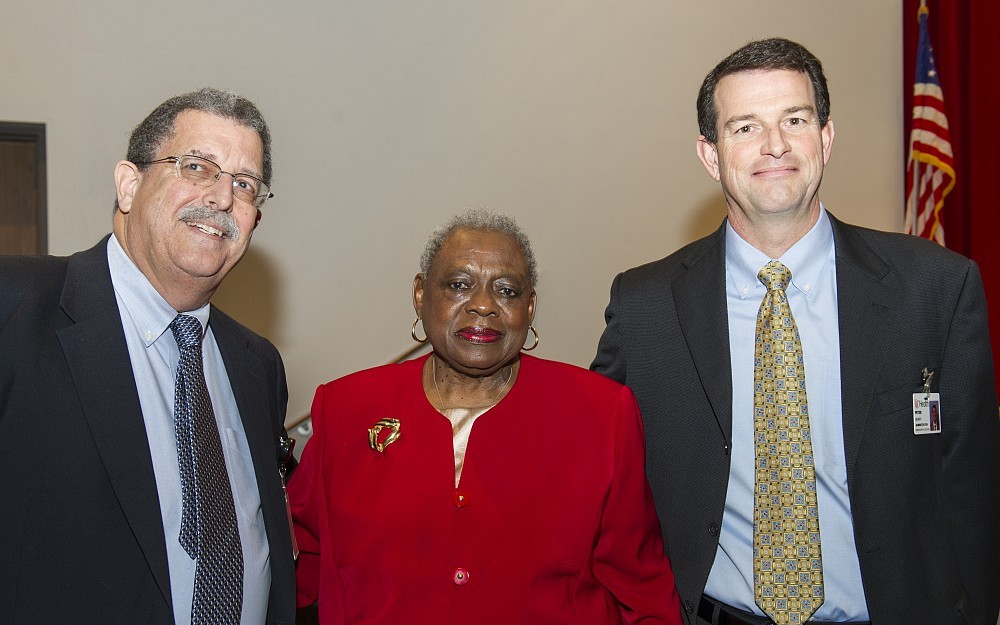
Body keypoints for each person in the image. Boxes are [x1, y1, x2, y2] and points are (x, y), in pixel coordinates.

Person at [592, 38, 1000, 625]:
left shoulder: (935, 289)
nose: (774, 145)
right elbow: (591, 469)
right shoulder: (646, 306)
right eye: (745, 127)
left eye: (795, 120)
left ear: (826, 138)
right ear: (710, 155)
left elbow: (974, 492)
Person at [289, 209, 683, 624]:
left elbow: (644, 591)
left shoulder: (602, 414)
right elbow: (295, 565)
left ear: (530, 308)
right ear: (421, 295)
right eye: (459, 285)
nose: (483, 306)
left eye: (507, 291)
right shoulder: (346, 408)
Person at [0, 88, 295, 625]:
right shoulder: (14, 309)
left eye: (244, 184)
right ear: (129, 184)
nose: (222, 198)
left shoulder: (258, 365)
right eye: (198, 167)